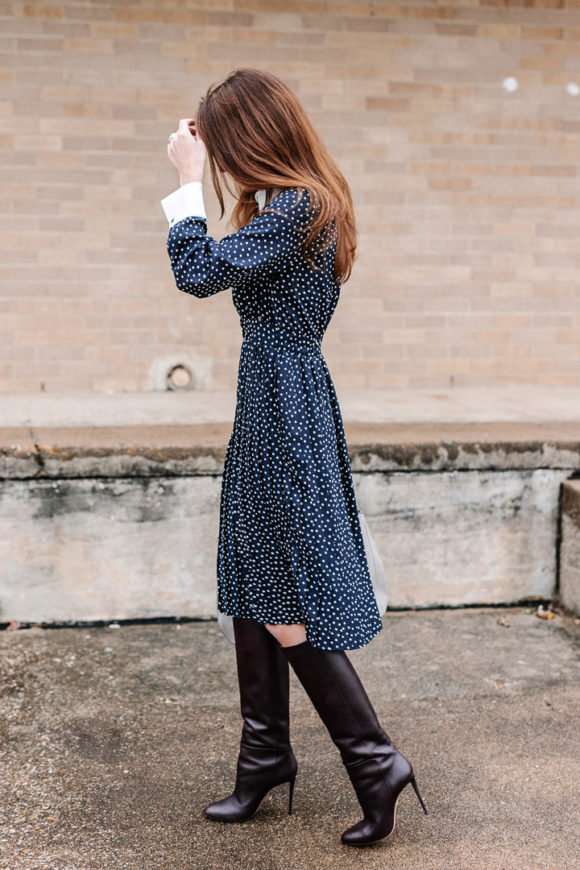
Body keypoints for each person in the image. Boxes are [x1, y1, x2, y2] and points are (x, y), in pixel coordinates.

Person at [161, 67, 428, 847]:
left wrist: (183, 185)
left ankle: (376, 762)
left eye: (227, 145)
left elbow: (197, 272)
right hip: (275, 394)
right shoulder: (290, 204)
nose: (223, 163)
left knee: (283, 598)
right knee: (251, 572)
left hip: (283, 401)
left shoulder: (303, 205)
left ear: (254, 136)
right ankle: (265, 760)